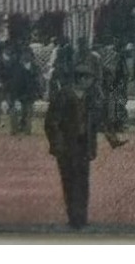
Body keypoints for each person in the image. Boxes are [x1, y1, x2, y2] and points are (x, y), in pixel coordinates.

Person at [44, 60, 102, 229]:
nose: (91, 82)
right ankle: (74, 217)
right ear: (81, 79)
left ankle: (81, 217)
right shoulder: (64, 95)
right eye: (89, 78)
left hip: (83, 143)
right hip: (67, 145)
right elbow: (52, 123)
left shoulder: (90, 97)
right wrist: (57, 143)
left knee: (83, 181)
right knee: (70, 181)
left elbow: (94, 123)